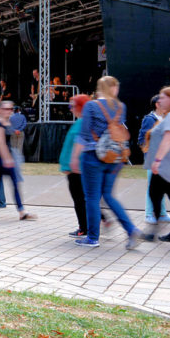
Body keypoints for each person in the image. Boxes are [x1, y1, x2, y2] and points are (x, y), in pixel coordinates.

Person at [70, 76, 145, 249]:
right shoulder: (121, 107)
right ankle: (131, 229)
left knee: (92, 197)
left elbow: (84, 134)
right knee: (109, 195)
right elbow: (121, 130)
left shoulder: (91, 105)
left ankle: (92, 238)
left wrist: (75, 157)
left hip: (93, 156)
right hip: (115, 156)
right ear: (112, 88)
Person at [59, 95, 109, 238]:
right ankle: (99, 219)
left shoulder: (83, 123)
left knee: (80, 200)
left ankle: (84, 228)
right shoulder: (81, 122)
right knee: (85, 198)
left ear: (81, 106)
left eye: (72, 106)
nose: (70, 109)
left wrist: (72, 163)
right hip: (77, 168)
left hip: (78, 169)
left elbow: (78, 146)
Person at [0, 101, 36, 221]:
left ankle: (21, 211)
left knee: (9, 184)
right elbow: (0, 143)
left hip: (7, 158)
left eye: (11, 108)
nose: (9, 110)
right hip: (0, 160)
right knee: (0, 185)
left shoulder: (8, 122)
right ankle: (20, 211)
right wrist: (7, 159)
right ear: (0, 110)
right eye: (6, 108)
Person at [143, 86, 170, 241]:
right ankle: (152, 231)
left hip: (164, 167)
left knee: (154, 193)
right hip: (164, 167)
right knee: (154, 194)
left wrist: (157, 161)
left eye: (163, 97)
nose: (159, 100)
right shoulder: (166, 117)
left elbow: (167, 139)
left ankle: (152, 232)